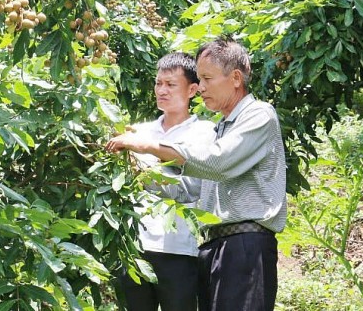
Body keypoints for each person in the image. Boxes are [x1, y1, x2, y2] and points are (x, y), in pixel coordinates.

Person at [106, 36, 287, 311]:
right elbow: (188, 189)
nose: (200, 88)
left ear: (236, 78)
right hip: (213, 247)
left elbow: (218, 162)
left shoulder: (259, 115)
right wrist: (135, 169)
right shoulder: (222, 127)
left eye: (207, 78)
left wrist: (151, 146)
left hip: (245, 246)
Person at [115, 52, 216, 311]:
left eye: (171, 84)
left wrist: (143, 166)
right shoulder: (138, 131)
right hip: (135, 247)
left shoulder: (204, 133)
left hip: (180, 250)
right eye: (159, 83)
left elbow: (191, 189)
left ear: (192, 89)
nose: (162, 90)